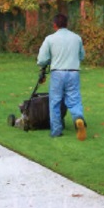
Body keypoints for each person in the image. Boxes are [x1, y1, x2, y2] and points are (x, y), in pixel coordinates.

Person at [37, 13, 87, 141]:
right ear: (67, 24)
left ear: (54, 25)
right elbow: (81, 56)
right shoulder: (77, 38)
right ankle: (78, 118)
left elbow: (42, 60)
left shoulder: (50, 39)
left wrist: (47, 63)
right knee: (74, 99)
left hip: (57, 73)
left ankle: (56, 131)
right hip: (73, 72)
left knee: (55, 102)